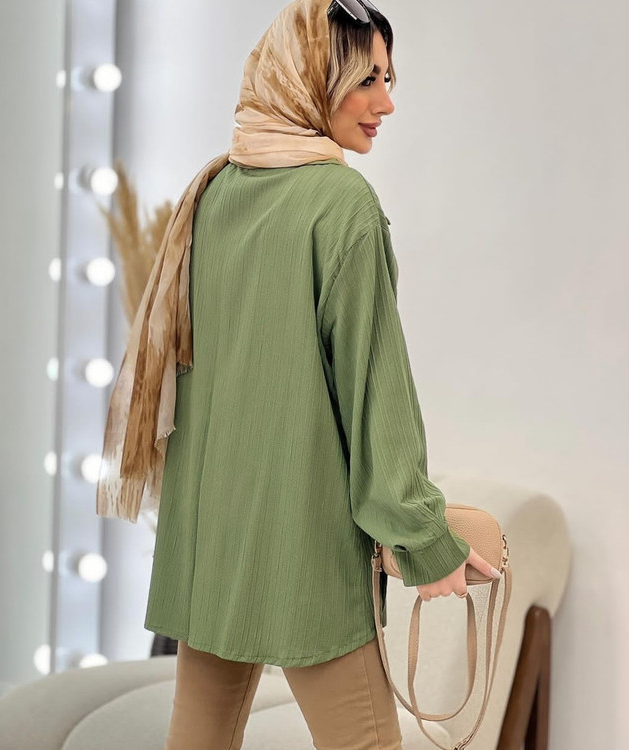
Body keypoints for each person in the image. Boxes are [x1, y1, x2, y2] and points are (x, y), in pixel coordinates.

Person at [95, 0, 499, 748]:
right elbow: (372, 390)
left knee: (198, 739)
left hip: (211, 537)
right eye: (365, 80)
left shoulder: (214, 192)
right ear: (311, 78)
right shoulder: (341, 203)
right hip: (302, 540)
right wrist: (423, 541)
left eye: (388, 79)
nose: (385, 103)